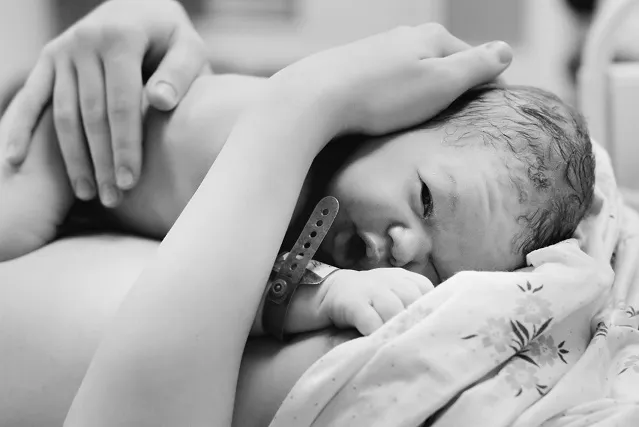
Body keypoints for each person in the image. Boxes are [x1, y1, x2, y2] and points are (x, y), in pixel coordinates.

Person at [0, 2, 590, 426]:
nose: (407, 248)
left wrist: (325, 290)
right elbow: (225, 282)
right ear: (397, 118)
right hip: (57, 157)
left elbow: (246, 285)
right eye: (427, 200)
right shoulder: (242, 128)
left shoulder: (317, 205)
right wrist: (324, 293)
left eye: (436, 269)